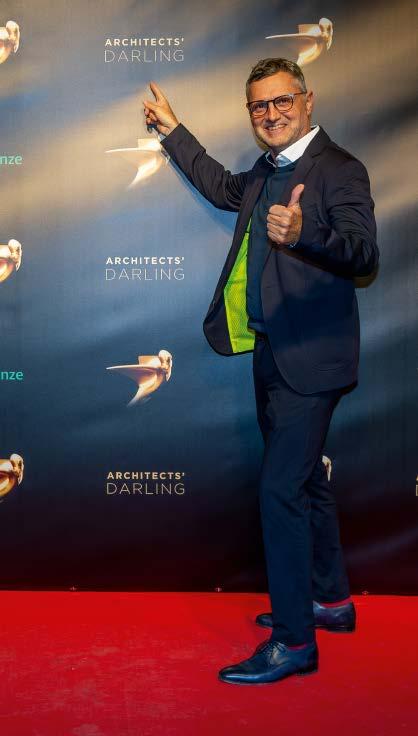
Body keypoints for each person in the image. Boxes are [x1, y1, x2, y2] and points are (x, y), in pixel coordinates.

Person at [143, 57, 378, 685]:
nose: (271, 114)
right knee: (306, 482)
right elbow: (224, 189)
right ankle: (331, 601)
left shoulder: (340, 169)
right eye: (259, 105)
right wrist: (173, 130)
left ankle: (296, 642)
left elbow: (363, 252)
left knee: (279, 492)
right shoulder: (266, 170)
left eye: (282, 101)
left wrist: (305, 233)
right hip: (271, 352)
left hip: (315, 359)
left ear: (307, 100)